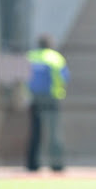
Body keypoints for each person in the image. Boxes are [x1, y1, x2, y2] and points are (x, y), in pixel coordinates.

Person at [26, 34, 69, 171]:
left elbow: (23, 78)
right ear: (50, 44)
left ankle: (33, 164)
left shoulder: (30, 57)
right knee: (53, 132)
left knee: (35, 131)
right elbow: (64, 78)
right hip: (51, 98)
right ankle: (56, 164)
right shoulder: (55, 58)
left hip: (34, 98)